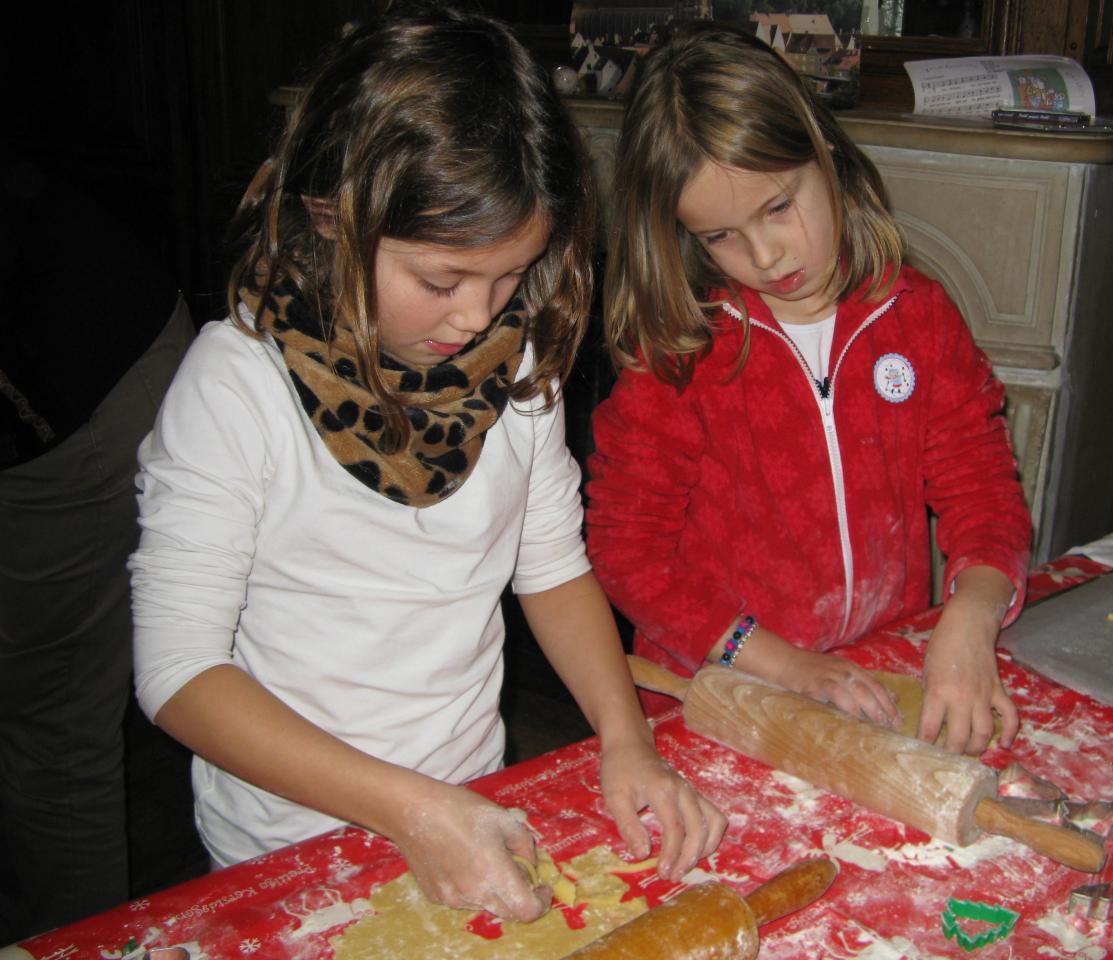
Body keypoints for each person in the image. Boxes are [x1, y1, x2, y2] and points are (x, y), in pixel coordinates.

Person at [129, 1, 724, 925]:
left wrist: (625, 737)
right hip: (291, 842)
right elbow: (178, 671)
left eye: (509, 276)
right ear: (334, 219)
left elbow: (552, 566)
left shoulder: (514, 367)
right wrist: (409, 808)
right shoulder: (236, 387)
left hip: (469, 796)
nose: (478, 317)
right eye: (441, 281)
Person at [585, 22, 1033, 756]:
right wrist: (783, 663)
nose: (763, 255)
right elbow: (628, 551)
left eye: (777, 207)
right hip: (715, 696)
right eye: (718, 236)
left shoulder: (914, 316)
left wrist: (972, 614)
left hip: (878, 673)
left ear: (824, 156)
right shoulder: (678, 354)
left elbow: (981, 487)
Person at [0, 146, 194, 942]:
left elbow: (183, 678)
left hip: (80, 385)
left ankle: (69, 939)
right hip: (77, 350)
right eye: (443, 285)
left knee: (54, 725)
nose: (473, 317)